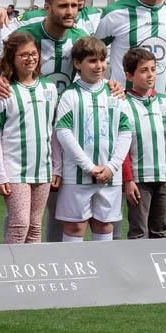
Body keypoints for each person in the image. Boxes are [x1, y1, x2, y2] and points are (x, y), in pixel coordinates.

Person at [54, 37, 134, 242]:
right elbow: (63, 133)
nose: (99, 66)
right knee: (74, 227)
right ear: (77, 63)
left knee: (104, 225)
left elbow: (126, 131)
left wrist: (112, 167)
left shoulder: (116, 93)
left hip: (110, 175)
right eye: (92, 60)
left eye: (102, 60)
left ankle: (103, 273)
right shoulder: (70, 95)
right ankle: (74, 273)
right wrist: (89, 167)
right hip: (77, 175)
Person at [0, 31, 59, 244]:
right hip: (15, 170)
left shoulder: (49, 89)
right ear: (12, 58)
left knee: (35, 228)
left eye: (34, 53)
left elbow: (52, 130)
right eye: (24, 55)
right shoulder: (4, 91)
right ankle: (10, 274)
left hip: (42, 170)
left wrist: (57, 166)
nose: (30, 58)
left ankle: (31, 276)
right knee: (19, 225)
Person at [121, 48, 166, 239]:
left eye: (153, 69)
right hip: (139, 178)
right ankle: (138, 269)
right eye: (144, 70)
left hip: (163, 175)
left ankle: (157, 267)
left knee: (160, 230)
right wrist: (128, 180)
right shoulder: (122, 103)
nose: (150, 75)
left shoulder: (165, 102)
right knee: (139, 230)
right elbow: (121, 147)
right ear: (130, 75)